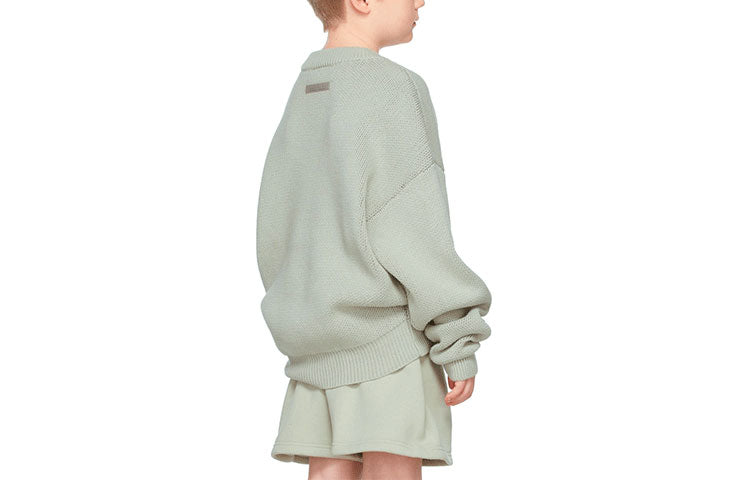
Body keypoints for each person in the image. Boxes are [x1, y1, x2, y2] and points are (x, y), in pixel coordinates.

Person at [256, 0, 493, 478]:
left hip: (314, 346)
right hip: (389, 345)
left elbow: (278, 227)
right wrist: (457, 336)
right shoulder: (391, 86)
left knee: (329, 470)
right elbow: (413, 225)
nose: (420, 1)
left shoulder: (306, 91)